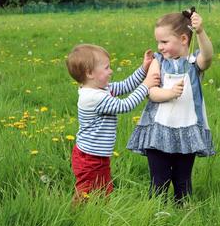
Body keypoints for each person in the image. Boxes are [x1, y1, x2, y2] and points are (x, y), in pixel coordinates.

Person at [127, 8, 215, 203]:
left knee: (182, 180)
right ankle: (156, 214)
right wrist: (169, 93)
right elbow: (150, 90)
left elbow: (208, 57)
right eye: (158, 41)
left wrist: (200, 32)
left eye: (164, 42)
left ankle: (182, 215)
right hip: (158, 131)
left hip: (187, 131)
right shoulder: (158, 62)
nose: (159, 47)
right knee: (159, 180)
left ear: (183, 40)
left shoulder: (193, 63)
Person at [65, 44, 160, 202]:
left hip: (97, 155)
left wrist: (143, 69)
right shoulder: (94, 97)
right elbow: (125, 105)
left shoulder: (100, 88)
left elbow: (125, 86)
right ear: (90, 73)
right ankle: (76, 216)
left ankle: (99, 212)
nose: (111, 71)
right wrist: (146, 85)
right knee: (86, 190)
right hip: (90, 157)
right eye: (107, 68)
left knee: (103, 188)